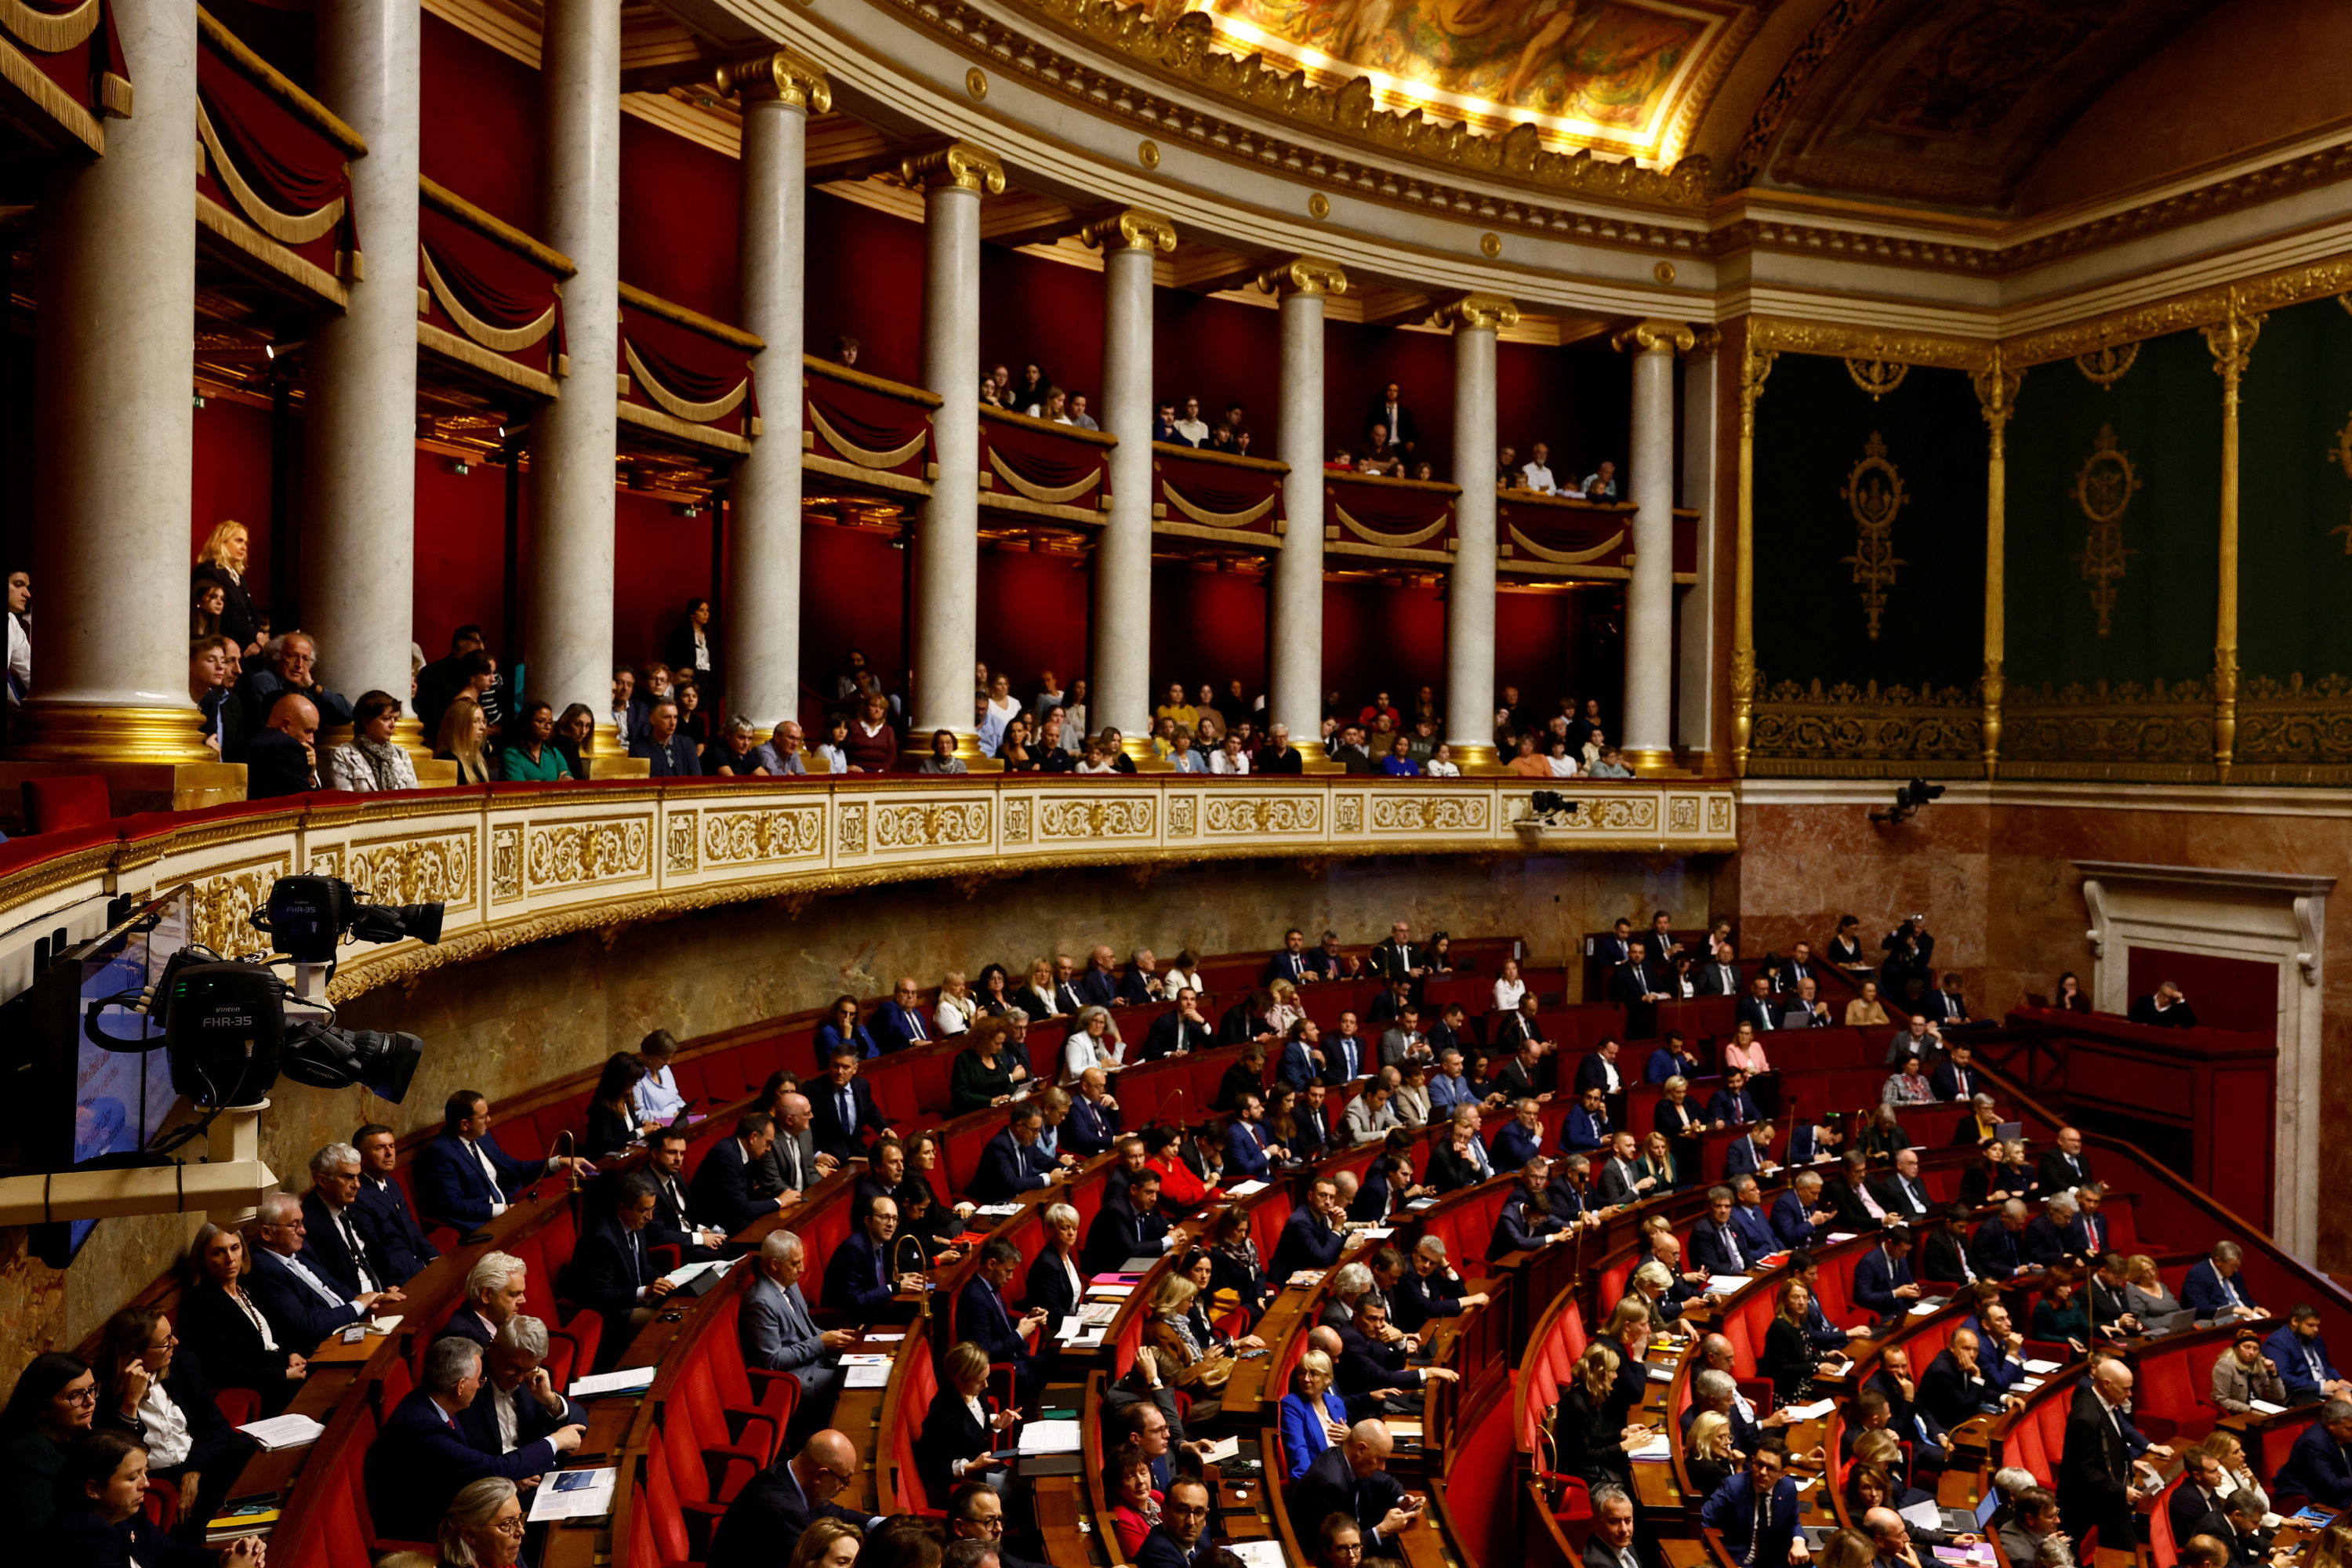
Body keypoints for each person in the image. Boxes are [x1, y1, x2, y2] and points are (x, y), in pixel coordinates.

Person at [706, 1432, 884, 1568]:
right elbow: (808, 1562)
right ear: (821, 1475)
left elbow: (835, 1512)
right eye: (843, 1480)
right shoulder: (779, 1509)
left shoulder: (789, 1476)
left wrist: (885, 1525)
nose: (845, 1487)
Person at [0, 1351, 98, 1537]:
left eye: (92, 1389)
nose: (91, 1401)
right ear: (44, 1408)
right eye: (76, 1395)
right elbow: (44, 1535)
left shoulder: (73, 1430)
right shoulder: (26, 1459)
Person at [2059, 1357, 2154, 1549]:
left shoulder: (2105, 1401)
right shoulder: (2086, 1416)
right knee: (2127, 1550)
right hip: (2089, 1501)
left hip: (2106, 1493)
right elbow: (2082, 1469)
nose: (2130, 1394)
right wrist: (2122, 1491)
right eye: (2125, 1389)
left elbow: (2110, 1442)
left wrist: (2131, 1461)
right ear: (2107, 1384)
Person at [1289, 1420, 1417, 1559]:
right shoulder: (1330, 1485)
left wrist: (1403, 1499)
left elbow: (1385, 1482)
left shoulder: (1350, 1459)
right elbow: (1339, 1551)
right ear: (1361, 1449)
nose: (1383, 1467)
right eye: (1380, 1459)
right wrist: (1383, 1530)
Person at [1700, 1438, 1807, 1568]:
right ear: (1752, 1462)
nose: (1762, 1472)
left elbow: (1793, 1521)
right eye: (1759, 1464)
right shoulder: (1733, 1487)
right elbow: (1704, 1521)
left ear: (1782, 1474)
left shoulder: (1787, 1488)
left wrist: (1799, 1541)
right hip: (1736, 1562)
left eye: (1771, 1468)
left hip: (1774, 1562)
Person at [2212, 1326, 2289, 1414]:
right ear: (2237, 1348)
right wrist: (2250, 1410)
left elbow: (2279, 1396)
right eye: (2247, 1347)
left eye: (2255, 1349)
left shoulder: (2259, 1363)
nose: (2251, 1352)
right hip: (2238, 1413)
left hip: (2260, 1410)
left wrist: (2273, 1374)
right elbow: (2222, 1400)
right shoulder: (2225, 1365)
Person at [2128, 982, 2197, 1029]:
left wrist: (2181, 1001)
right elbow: (2131, 1020)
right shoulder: (2145, 1001)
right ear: (2159, 991)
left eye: (2170, 997)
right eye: (2164, 995)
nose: (2167, 1000)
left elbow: (2190, 1024)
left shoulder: (2176, 1009)